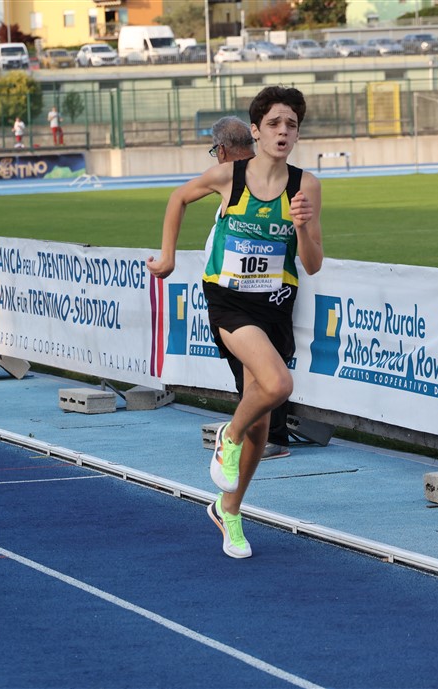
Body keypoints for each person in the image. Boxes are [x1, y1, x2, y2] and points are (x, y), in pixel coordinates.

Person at [146, 86, 323, 559]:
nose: (283, 132)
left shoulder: (306, 186)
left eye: (291, 125)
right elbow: (179, 198)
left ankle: (229, 508)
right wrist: (167, 255)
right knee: (278, 384)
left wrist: (303, 227)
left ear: (297, 134)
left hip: (276, 305)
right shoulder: (230, 176)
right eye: (274, 124)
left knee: (261, 422)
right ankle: (228, 436)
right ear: (257, 131)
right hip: (229, 301)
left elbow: (313, 263)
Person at [206, 115, 292, 461]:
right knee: (262, 370)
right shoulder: (262, 175)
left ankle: (252, 436)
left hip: (249, 292)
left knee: (261, 372)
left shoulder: (243, 178)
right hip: (259, 291)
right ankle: (253, 437)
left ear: (222, 150)